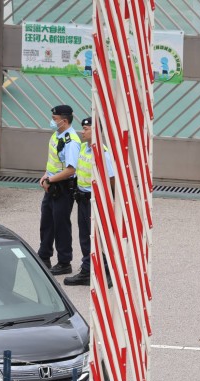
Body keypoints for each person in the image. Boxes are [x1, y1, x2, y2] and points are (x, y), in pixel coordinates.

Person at [64, 116, 117, 286]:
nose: (82, 131)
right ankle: (88, 270)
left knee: (100, 238)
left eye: (86, 129)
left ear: (96, 131)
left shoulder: (103, 153)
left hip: (96, 201)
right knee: (86, 237)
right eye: (83, 128)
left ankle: (108, 271)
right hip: (83, 199)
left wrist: (109, 202)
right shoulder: (83, 149)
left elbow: (111, 179)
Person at [37, 104, 80, 275]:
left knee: (61, 224)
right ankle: (44, 256)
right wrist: (45, 175)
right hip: (52, 183)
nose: (52, 122)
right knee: (46, 221)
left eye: (54, 119)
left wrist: (50, 179)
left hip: (62, 187)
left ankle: (64, 261)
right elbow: (53, 161)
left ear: (64, 120)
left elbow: (71, 169)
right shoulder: (57, 135)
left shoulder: (72, 141)